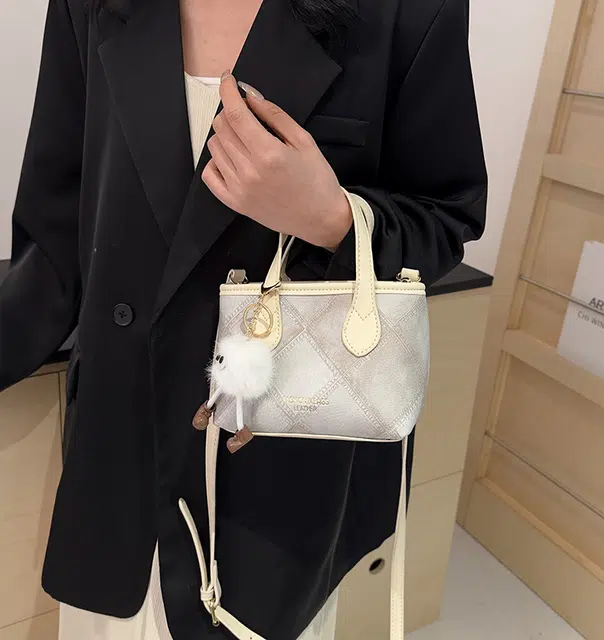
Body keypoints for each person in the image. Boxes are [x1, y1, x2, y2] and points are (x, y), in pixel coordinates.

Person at [0, 0, 487, 637]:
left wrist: (332, 220)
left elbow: (447, 216)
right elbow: (56, 232)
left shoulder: (408, 11)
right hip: (119, 452)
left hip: (281, 467)